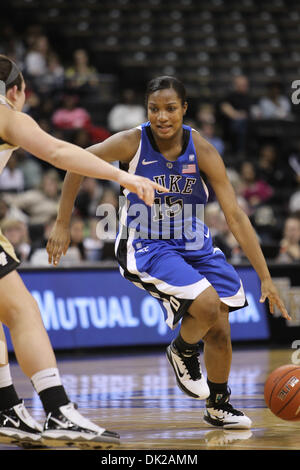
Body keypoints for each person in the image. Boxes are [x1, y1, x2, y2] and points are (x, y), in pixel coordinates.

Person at [47, 76, 290, 433]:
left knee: (220, 323)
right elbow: (75, 164)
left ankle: (218, 405)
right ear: (147, 111)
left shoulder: (203, 149)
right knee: (206, 305)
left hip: (194, 244)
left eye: (170, 108)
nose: (162, 116)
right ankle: (181, 350)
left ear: (184, 110)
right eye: (154, 109)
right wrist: (62, 223)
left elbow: (235, 216)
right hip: (146, 244)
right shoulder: (132, 141)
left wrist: (266, 277)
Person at [0, 54, 166, 447]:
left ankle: (6, 408)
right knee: (22, 312)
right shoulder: (7, 113)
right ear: (15, 91)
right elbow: (59, 153)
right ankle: (58, 411)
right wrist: (123, 174)